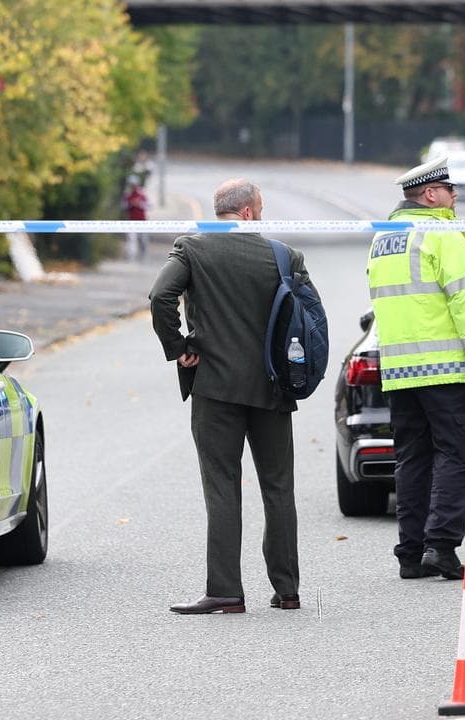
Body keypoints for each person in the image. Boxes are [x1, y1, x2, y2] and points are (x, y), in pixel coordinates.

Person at [149, 179, 316, 614]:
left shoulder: (193, 249)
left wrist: (180, 347)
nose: (262, 214)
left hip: (215, 388)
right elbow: (310, 317)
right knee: (278, 488)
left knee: (222, 485)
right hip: (273, 387)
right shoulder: (283, 256)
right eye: (260, 207)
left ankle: (225, 590)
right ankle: (287, 589)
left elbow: (160, 296)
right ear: (246, 212)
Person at [366, 156, 465, 581]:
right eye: (448, 189)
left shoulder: (385, 237)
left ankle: (410, 553)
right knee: (458, 455)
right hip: (444, 368)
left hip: (400, 369)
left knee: (412, 459)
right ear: (430, 194)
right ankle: (440, 547)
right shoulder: (441, 231)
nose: (455, 196)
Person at [123, 177, 149, 260]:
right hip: (131, 221)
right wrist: (131, 204)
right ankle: (131, 256)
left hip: (142, 220)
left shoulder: (142, 194)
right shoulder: (127, 195)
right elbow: (123, 206)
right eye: (131, 185)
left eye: (133, 185)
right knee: (131, 239)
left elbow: (149, 205)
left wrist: (139, 204)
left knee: (143, 239)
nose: (132, 187)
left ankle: (143, 254)